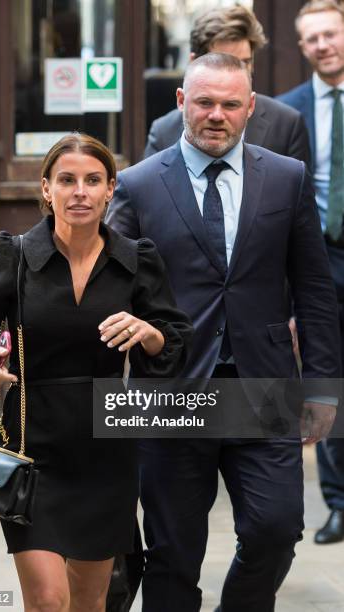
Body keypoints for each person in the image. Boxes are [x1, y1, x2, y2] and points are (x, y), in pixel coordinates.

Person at [106, 53, 340, 612]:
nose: (217, 115)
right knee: (172, 552)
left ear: (250, 108)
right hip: (172, 390)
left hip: (262, 385)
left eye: (230, 104)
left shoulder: (286, 177)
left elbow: (313, 287)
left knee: (276, 529)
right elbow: (109, 287)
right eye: (205, 102)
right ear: (182, 102)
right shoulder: (138, 185)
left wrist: (324, 386)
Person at [0, 133, 192, 612]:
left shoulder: (135, 260)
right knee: (47, 600)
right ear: (46, 189)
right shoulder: (13, 255)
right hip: (32, 450)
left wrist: (148, 333)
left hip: (105, 453)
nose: (80, 191)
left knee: (90, 601)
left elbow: (172, 340)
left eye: (92, 180)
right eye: (67, 180)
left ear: (110, 189)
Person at [278, 0, 344, 545]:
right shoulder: (290, 110)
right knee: (325, 377)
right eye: (312, 39)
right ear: (301, 47)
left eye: (331, 34)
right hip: (320, 259)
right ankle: (340, 502)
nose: (323, 45)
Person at [144, 4, 311, 165]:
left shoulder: (286, 124)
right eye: (221, 63)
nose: (234, 74)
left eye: (244, 63)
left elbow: (294, 191)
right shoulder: (163, 132)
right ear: (194, 62)